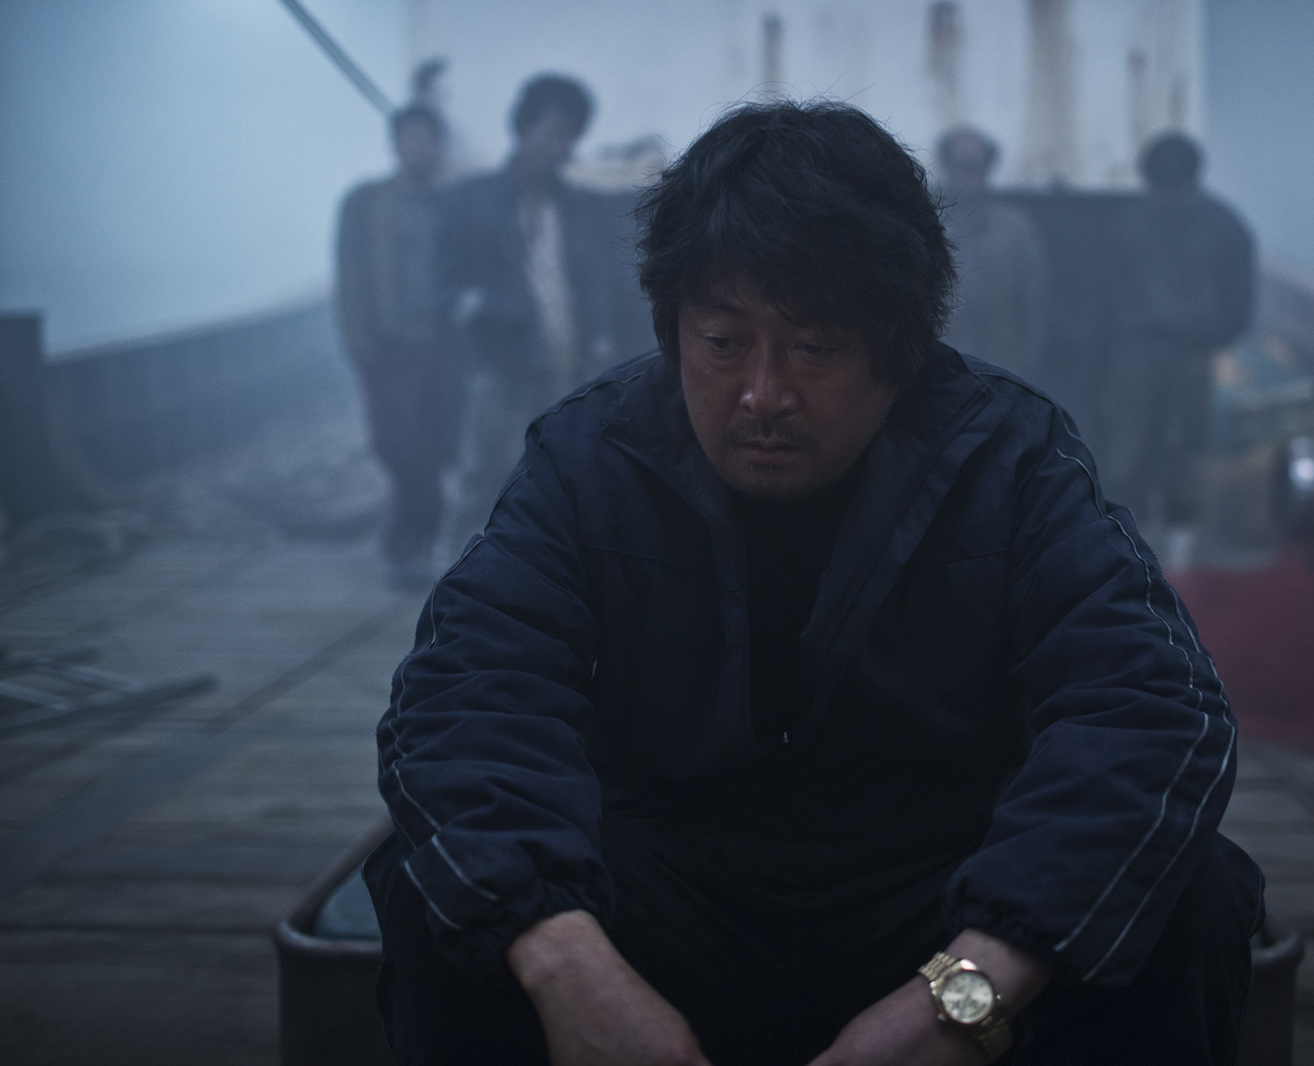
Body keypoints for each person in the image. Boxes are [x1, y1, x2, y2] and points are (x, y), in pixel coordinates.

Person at [366, 101, 1262, 1066]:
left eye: (815, 348)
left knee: (1190, 894)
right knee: (442, 891)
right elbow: (467, 693)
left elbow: (1148, 706)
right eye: (722, 342)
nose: (763, 395)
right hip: (665, 896)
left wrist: (970, 991)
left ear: (898, 347)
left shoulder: (1008, 458)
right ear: (672, 330)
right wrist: (565, 962)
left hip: (940, 895)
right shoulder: (593, 458)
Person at [434, 73, 622, 553]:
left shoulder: (577, 207)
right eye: (554, 132)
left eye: (571, 136)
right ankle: (452, 577)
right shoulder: (470, 202)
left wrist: (600, 338)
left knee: (558, 476)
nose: (562, 147)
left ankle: (536, 575)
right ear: (523, 127)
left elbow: (595, 282)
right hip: (500, 366)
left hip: (567, 367)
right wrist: (487, 307)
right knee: (481, 476)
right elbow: (441, 286)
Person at [1098, 132, 1255, 570]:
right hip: (1155, 356)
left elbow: (1238, 306)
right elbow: (1239, 306)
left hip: (1163, 356)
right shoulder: (1223, 224)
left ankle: (1152, 561)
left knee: (1161, 459)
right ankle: (1163, 562)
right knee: (1150, 459)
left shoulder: (1129, 224)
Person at [336, 102, 458, 584]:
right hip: (388, 347)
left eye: (428, 139)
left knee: (438, 444)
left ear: (440, 146)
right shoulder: (365, 202)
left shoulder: (452, 202)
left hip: (444, 345)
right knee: (397, 447)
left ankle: (411, 550)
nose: (419, 148)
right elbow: (348, 275)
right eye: (410, 138)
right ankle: (407, 541)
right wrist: (358, 344)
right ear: (395, 144)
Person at [936, 126, 1048, 383]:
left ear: (987, 168)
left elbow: (1032, 303)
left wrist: (1024, 366)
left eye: (975, 168)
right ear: (948, 168)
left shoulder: (1015, 229)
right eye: (961, 167)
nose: (968, 179)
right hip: (940, 366)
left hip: (999, 366)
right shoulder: (928, 224)